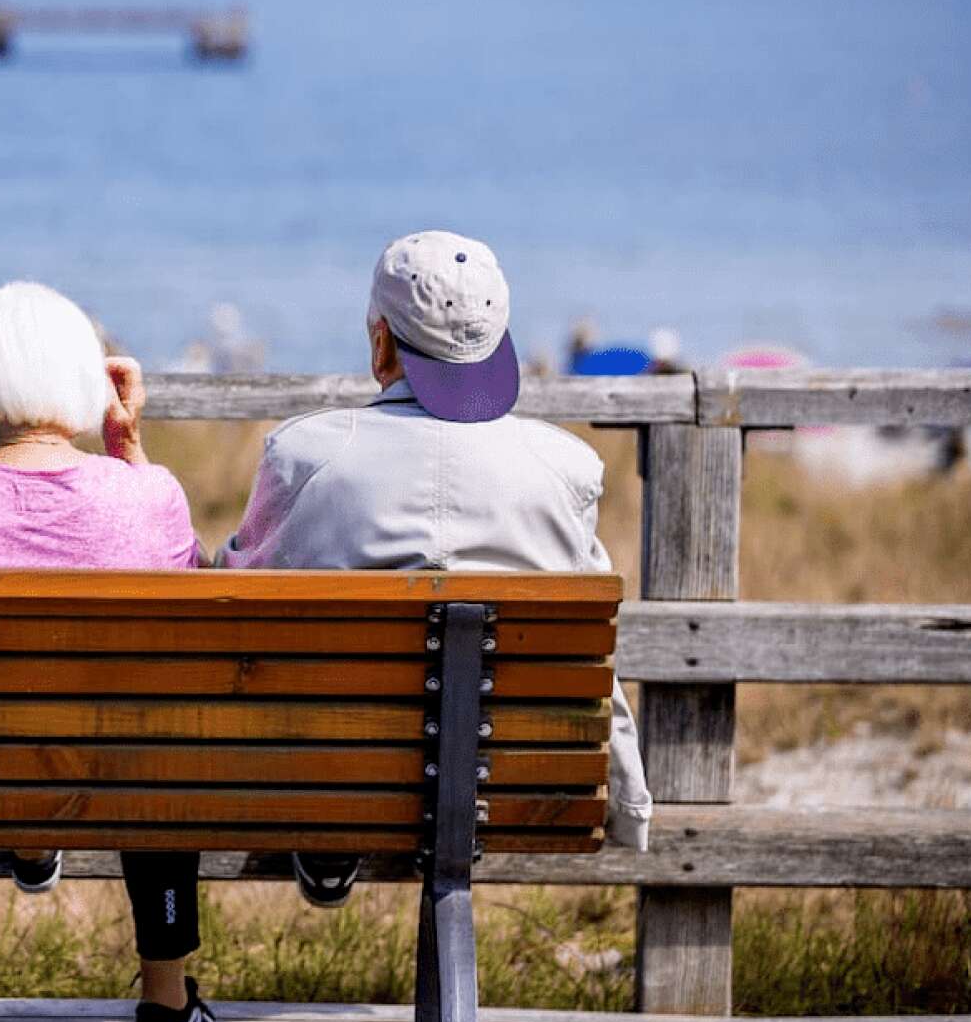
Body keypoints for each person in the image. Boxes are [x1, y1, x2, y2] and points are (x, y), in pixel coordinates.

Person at [219, 230, 654, 906]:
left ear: (381, 343)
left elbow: (238, 594)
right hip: (516, 781)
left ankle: (331, 831)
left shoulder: (306, 453)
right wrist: (630, 803)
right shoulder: (565, 469)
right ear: (496, 343)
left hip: (328, 769)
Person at [0, 282, 218, 1022]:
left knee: (23, 707)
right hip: (126, 769)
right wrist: (128, 449)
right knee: (151, 715)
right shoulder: (148, 498)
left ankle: (33, 838)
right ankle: (166, 1001)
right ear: (84, 378)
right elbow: (189, 591)